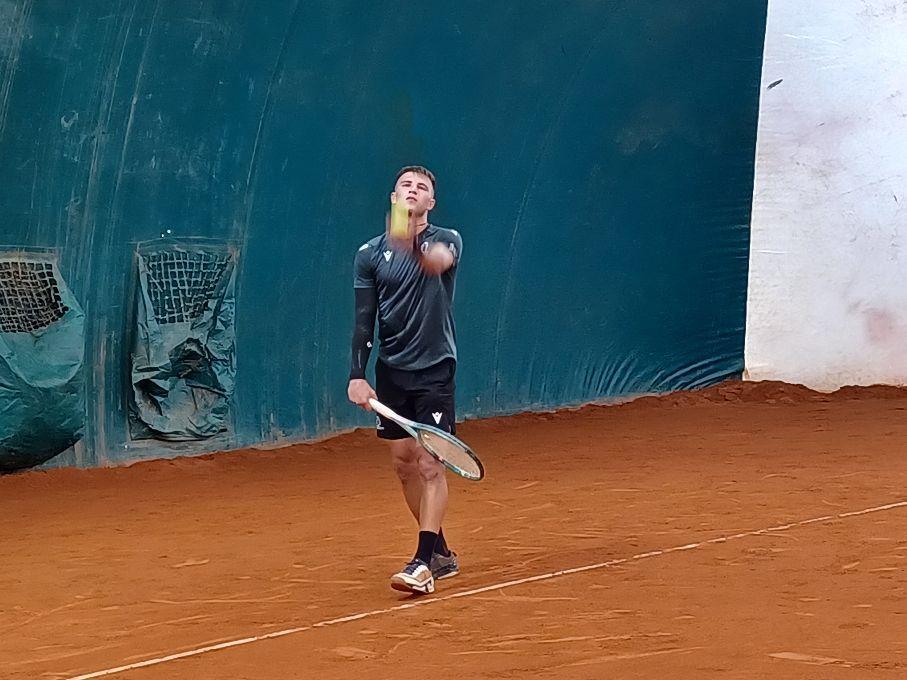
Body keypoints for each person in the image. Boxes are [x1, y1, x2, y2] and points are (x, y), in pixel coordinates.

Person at [347, 165, 463, 595]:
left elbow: (439, 261)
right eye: (406, 186)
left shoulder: (446, 240)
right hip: (391, 373)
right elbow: (364, 322)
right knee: (403, 465)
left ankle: (421, 562)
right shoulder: (369, 255)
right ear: (393, 197)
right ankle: (442, 553)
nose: (413, 191)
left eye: (422, 188)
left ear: (430, 203)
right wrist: (357, 375)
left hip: (435, 370)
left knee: (429, 462)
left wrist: (418, 249)